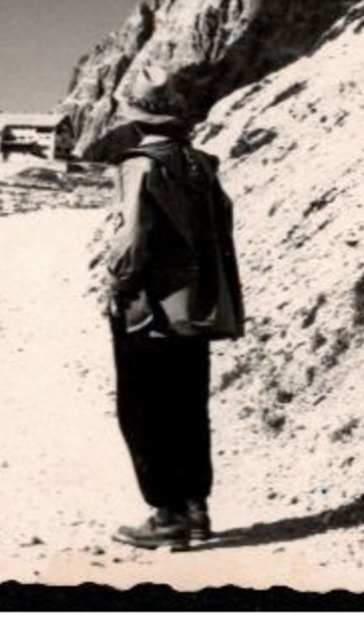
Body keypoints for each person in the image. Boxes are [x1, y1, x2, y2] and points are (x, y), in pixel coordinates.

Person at [93, 87, 245, 552]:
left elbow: (133, 235)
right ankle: (196, 506)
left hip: (149, 307)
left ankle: (167, 515)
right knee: (187, 405)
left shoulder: (138, 164)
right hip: (194, 306)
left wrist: (115, 282)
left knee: (143, 408)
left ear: (139, 123)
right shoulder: (203, 165)